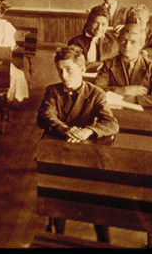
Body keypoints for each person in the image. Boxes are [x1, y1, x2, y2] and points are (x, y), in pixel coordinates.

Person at [37, 46, 119, 243]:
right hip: (60, 150)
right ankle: (58, 235)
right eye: (60, 70)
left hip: (86, 152)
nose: (64, 75)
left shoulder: (96, 93)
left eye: (69, 69)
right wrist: (66, 129)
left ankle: (103, 241)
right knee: (59, 193)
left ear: (82, 69)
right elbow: (45, 116)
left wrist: (88, 131)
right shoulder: (52, 91)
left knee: (95, 196)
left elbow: (111, 123)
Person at [94, 23, 152, 108]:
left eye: (133, 42)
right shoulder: (108, 64)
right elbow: (97, 90)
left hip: (141, 116)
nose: (127, 46)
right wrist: (124, 90)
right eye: (124, 40)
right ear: (118, 41)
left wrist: (135, 99)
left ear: (141, 45)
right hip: (114, 113)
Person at [68, 6, 119, 71]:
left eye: (103, 24)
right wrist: (104, 65)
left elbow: (118, 62)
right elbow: (78, 65)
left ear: (107, 24)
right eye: (96, 23)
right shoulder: (75, 42)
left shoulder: (113, 40)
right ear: (89, 22)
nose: (99, 28)